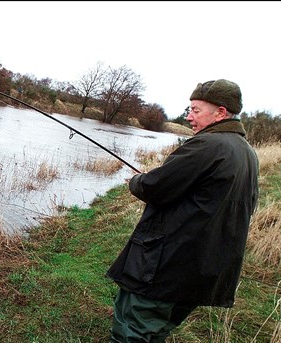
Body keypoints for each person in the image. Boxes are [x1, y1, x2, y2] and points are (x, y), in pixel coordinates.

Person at [106, 79, 259, 342]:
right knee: (158, 329)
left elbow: (156, 189)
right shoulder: (247, 153)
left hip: (168, 264)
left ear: (220, 113)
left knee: (133, 327)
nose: (188, 117)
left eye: (196, 110)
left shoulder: (207, 145)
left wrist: (137, 181)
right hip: (203, 267)